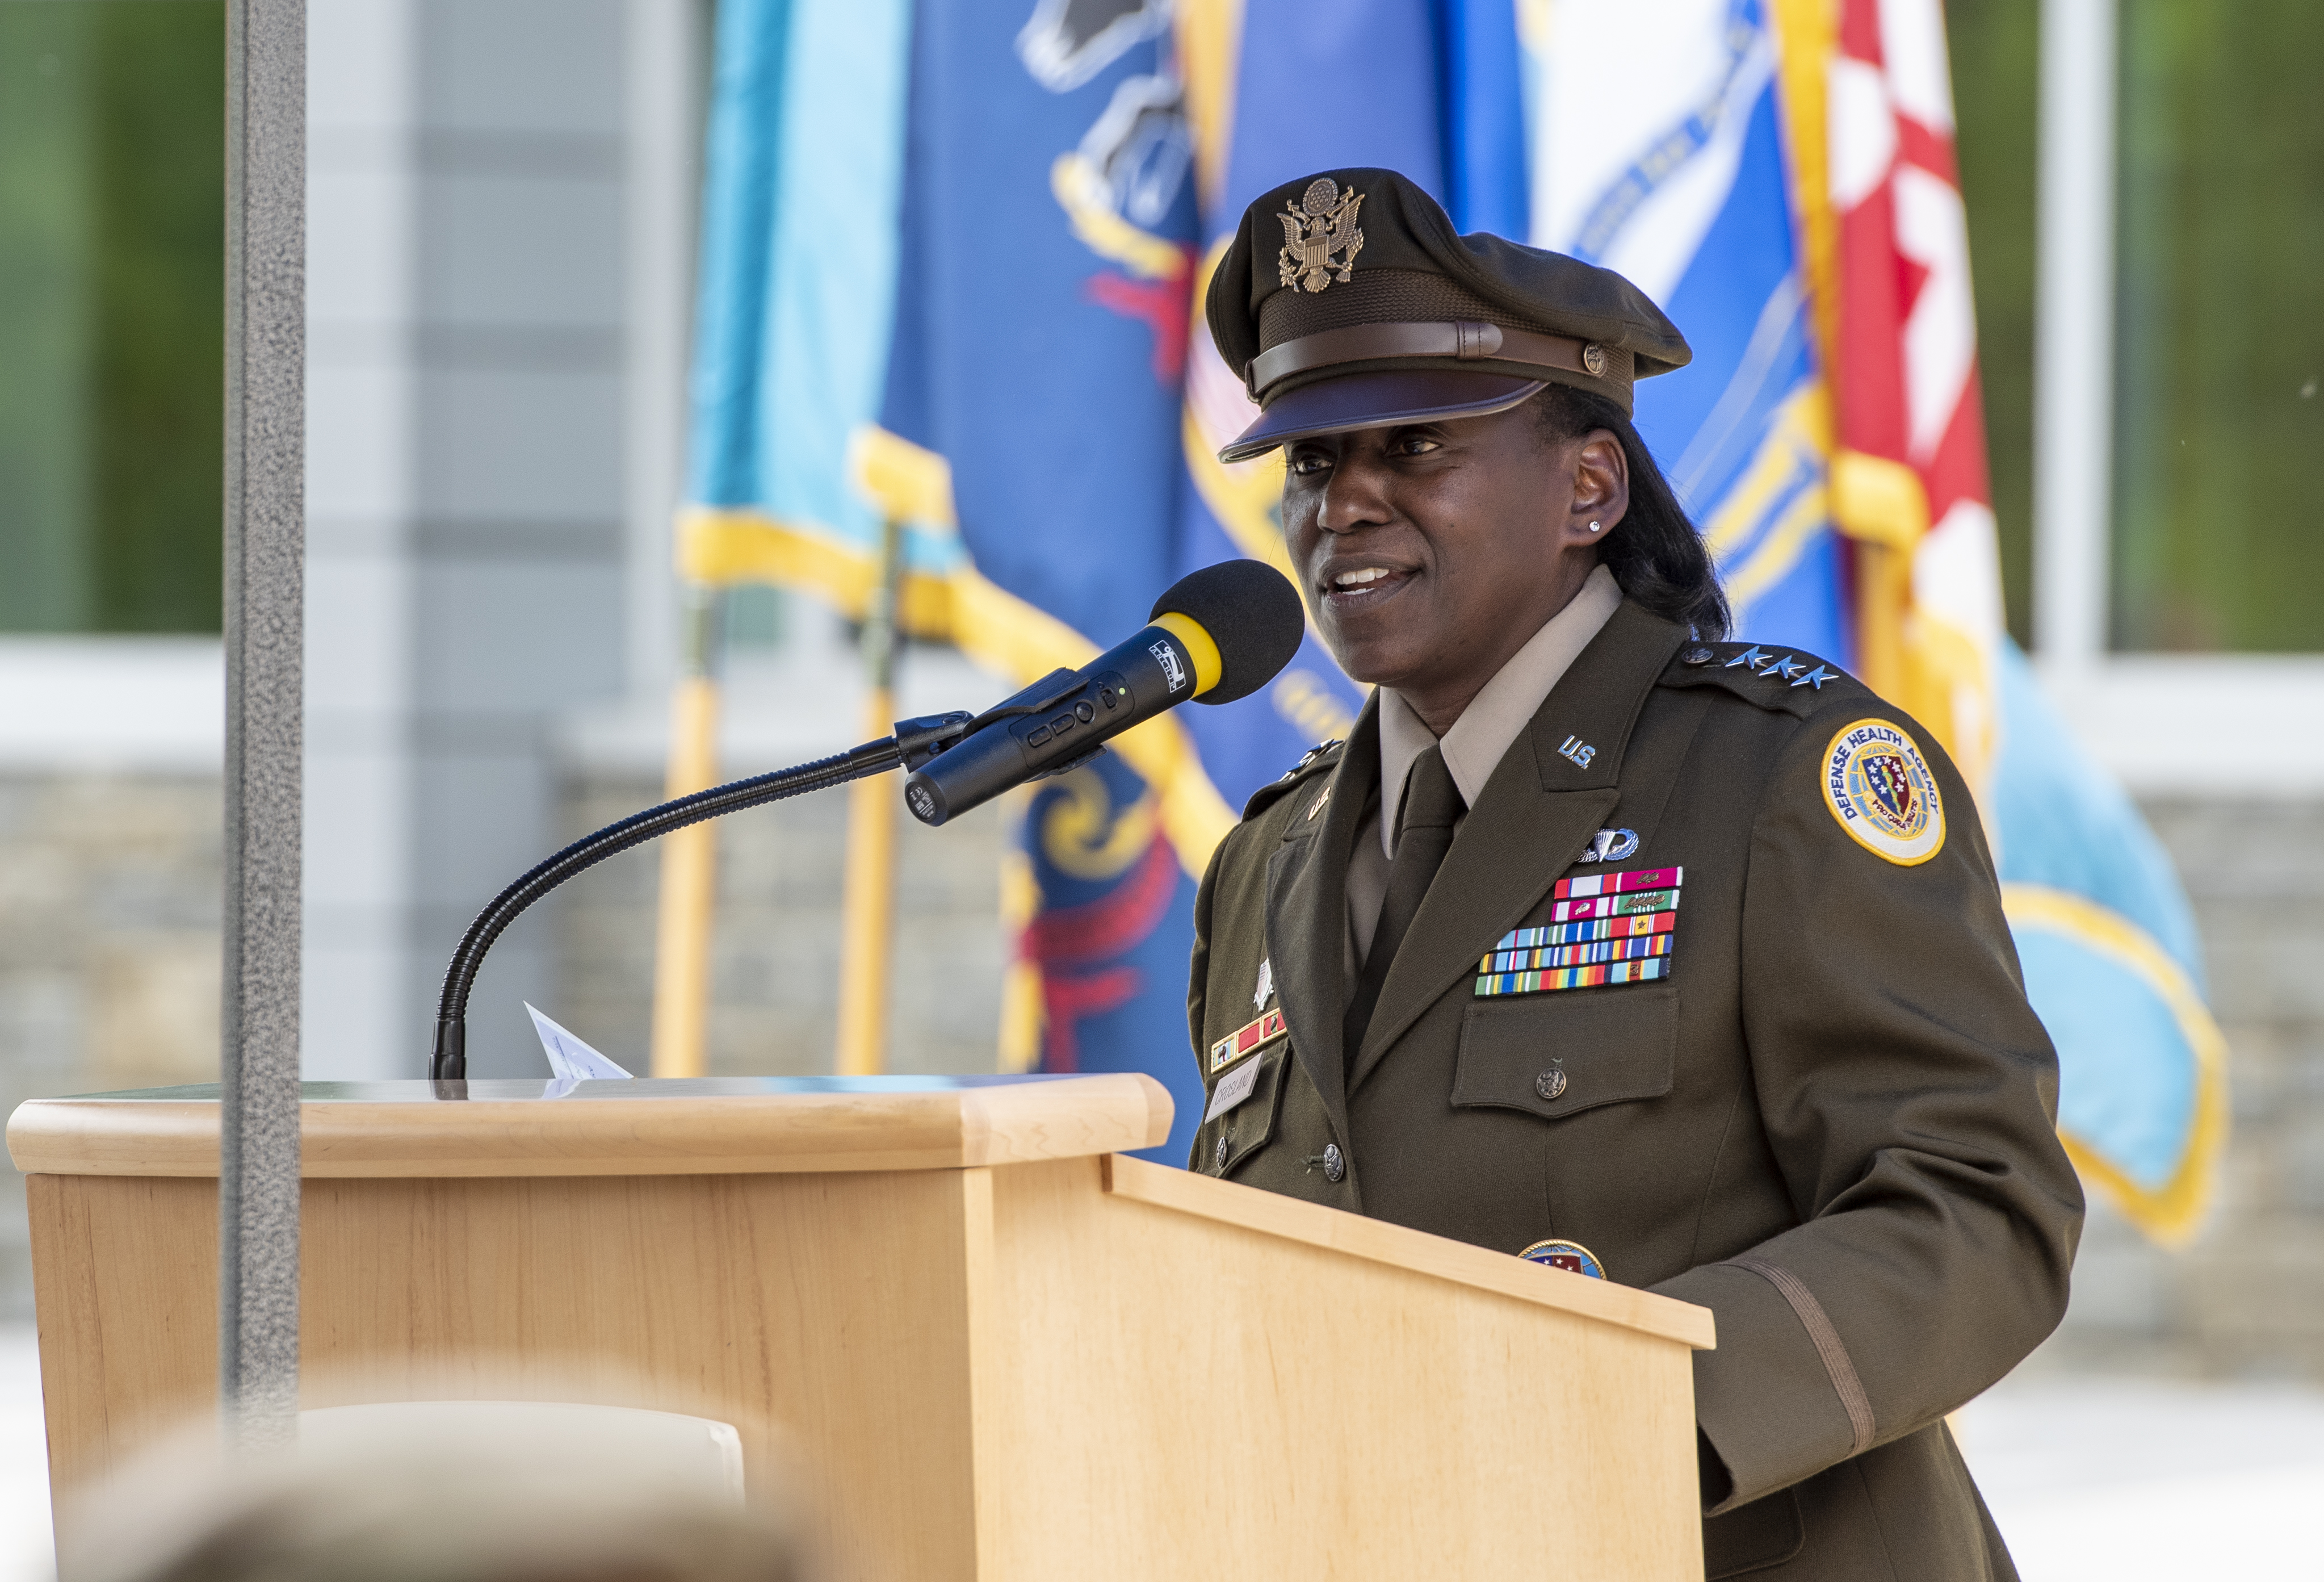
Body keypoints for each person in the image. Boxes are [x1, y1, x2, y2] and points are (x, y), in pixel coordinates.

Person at [1185, 168, 2084, 1581]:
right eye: (1311, 463)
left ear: (1588, 486)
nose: (1341, 505)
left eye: (1412, 447)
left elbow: (1977, 1202)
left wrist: (1624, 1414)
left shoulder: (1781, 780)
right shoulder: (1266, 860)